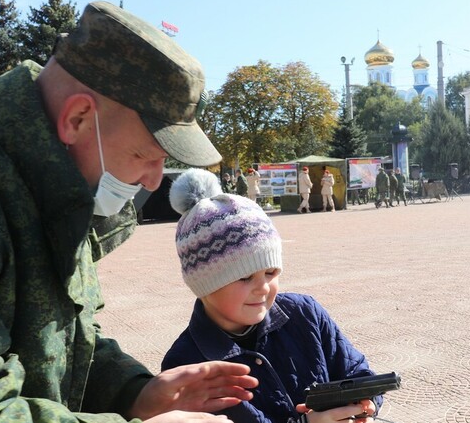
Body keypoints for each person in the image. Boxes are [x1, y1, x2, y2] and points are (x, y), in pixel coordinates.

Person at [0, 1, 258, 421]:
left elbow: (54, 337)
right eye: (146, 154)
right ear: (77, 118)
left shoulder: (49, 178)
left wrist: (132, 392)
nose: (154, 180)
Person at [163, 169, 383, 423]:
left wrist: (365, 401)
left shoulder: (304, 312)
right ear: (204, 283)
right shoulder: (184, 365)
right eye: (245, 277)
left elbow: (355, 369)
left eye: (271, 272)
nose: (264, 288)